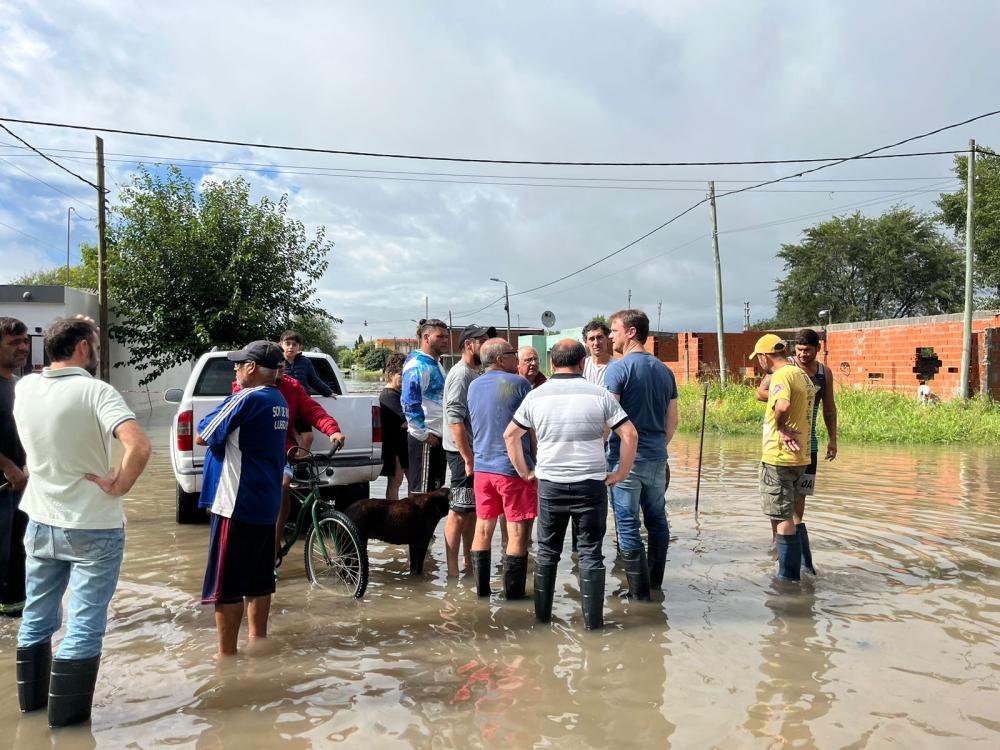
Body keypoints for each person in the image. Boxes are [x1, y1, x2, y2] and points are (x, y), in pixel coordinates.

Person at [13, 317, 151, 726]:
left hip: (39, 520)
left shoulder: (26, 387)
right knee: (84, 626)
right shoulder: (96, 392)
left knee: (36, 617)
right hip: (93, 523)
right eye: (93, 344)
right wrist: (119, 484)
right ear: (81, 349)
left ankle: (31, 714)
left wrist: (76, 325)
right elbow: (139, 447)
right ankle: (67, 727)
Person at [504, 340, 638, 629]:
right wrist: (621, 472)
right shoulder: (600, 394)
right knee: (591, 553)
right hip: (590, 484)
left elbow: (510, 436)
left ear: (552, 364)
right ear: (582, 363)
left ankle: (542, 622)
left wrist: (526, 472)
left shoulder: (536, 396)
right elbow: (630, 435)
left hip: (550, 483)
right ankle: (593, 625)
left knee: (548, 552)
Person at [198, 341, 288, 657]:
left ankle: (226, 658)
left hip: (235, 504)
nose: (235, 369)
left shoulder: (246, 397)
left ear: (251, 367)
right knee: (260, 581)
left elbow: (205, 433)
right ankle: (258, 643)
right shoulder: (278, 399)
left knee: (227, 587)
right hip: (265, 504)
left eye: (238, 364)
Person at [233, 360, 345, 565]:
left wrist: (332, 430)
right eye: (276, 365)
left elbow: (313, 410)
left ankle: (274, 547)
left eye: (282, 366)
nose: (280, 369)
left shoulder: (292, 386)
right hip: (253, 454)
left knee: (283, 485)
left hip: (283, 450)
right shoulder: (245, 387)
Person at [606, 309, 678, 601]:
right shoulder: (664, 370)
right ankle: (655, 585)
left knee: (627, 525)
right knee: (657, 520)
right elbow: (672, 420)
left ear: (631, 332)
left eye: (614, 330)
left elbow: (608, 417)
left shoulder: (619, 369)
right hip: (657, 459)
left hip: (626, 461)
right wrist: (658, 446)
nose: (611, 336)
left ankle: (638, 595)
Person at [756, 328, 837, 574]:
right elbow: (761, 392)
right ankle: (790, 560)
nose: (803, 354)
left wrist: (832, 439)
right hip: (797, 449)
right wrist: (789, 394)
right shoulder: (790, 371)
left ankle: (789, 573)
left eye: (808, 350)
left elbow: (829, 408)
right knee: (783, 511)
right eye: (799, 349)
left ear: (817, 349)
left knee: (790, 511)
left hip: (800, 447)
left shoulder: (822, 373)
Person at [467, 338, 536, 599]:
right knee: (517, 531)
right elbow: (531, 429)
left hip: (483, 469)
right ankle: (514, 597)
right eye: (512, 354)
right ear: (500, 359)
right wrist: (534, 465)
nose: (515, 358)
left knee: (483, 528)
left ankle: (481, 593)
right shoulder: (519, 384)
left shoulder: (473, 386)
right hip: (513, 469)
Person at [750, 334, 815, 582]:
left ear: (765, 356)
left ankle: (787, 580)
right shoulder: (801, 374)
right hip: (800, 457)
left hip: (779, 458)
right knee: (794, 515)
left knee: (782, 518)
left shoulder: (781, 375)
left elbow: (783, 405)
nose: (759, 364)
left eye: (758, 359)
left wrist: (780, 427)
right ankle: (804, 568)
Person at [442, 324, 494, 577]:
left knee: (472, 511)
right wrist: (467, 458)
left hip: (474, 453)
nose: (486, 344)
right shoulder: (461, 374)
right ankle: (452, 571)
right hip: (461, 454)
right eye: (482, 340)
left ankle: (468, 562)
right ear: (468, 345)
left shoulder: (477, 372)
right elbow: (454, 419)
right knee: (459, 512)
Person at [1, 317, 29, 618]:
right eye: (14, 343)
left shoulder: (20, 388)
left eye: (25, 341)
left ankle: (14, 623)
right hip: (5, 483)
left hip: (20, 488)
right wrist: (8, 465)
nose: (23, 348)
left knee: (18, 554)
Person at [402, 319, 449, 493]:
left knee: (434, 499)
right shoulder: (418, 365)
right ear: (427, 337)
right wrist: (422, 434)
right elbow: (409, 401)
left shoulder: (435, 363)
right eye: (440, 336)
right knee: (421, 500)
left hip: (438, 437)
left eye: (446, 336)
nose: (445, 340)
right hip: (426, 438)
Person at [280, 330, 335, 455]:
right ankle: (285, 464)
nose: (290, 347)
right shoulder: (276, 362)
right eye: (287, 343)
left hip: (301, 405)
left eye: (294, 344)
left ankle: (300, 464)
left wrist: (328, 392)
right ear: (281, 345)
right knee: (283, 438)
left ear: (300, 347)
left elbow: (314, 380)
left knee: (308, 436)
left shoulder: (305, 362)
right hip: (283, 405)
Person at [379, 353, 409, 502]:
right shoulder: (388, 395)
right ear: (391, 374)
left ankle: (412, 512)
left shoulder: (399, 393)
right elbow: (405, 421)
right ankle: (393, 511)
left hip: (404, 443)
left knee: (413, 481)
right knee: (395, 481)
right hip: (394, 446)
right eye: (401, 375)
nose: (405, 379)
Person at [582, 320, 612, 387]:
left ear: (607, 339)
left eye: (600, 337)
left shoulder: (618, 366)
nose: (596, 343)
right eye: (592, 339)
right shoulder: (582, 366)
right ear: (585, 343)